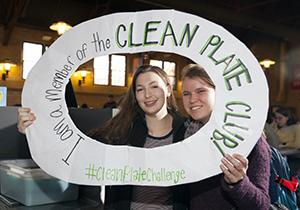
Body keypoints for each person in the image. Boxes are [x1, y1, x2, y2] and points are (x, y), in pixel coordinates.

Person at [17, 65, 188, 210]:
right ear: (135, 96)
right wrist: (35, 131)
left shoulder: (188, 132)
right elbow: (75, 151)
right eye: (140, 89)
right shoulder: (121, 131)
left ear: (167, 88)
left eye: (154, 86)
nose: (148, 95)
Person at [181, 64, 271, 210]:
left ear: (220, 93)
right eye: (186, 93)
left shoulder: (249, 138)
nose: (192, 99)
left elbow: (262, 205)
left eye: (201, 91)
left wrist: (238, 182)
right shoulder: (187, 136)